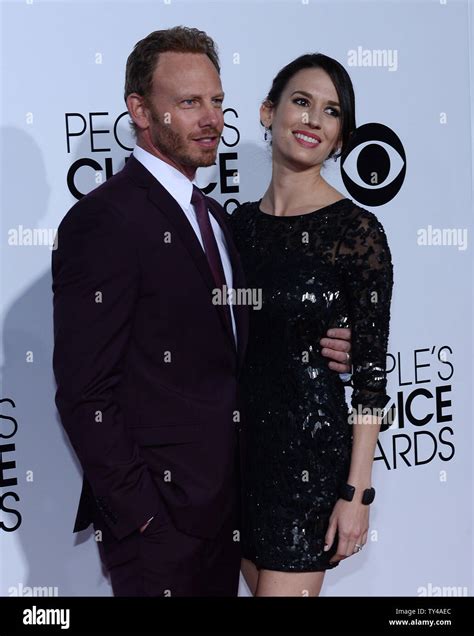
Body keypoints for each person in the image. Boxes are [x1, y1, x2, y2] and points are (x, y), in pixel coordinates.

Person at [51, 29, 352, 597]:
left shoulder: (215, 216)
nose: (211, 118)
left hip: (228, 513)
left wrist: (326, 338)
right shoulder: (104, 222)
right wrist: (143, 516)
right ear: (140, 111)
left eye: (216, 101)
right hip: (160, 525)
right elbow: (83, 391)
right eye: (189, 103)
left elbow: (230, 328)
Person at [228, 53, 393, 597]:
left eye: (331, 112)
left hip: (309, 465)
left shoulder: (357, 231)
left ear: (341, 138)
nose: (313, 120)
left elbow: (370, 375)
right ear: (266, 112)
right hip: (235, 460)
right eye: (301, 102)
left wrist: (357, 491)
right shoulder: (236, 228)